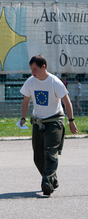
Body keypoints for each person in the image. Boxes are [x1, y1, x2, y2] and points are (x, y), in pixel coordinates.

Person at [20, 55, 78, 196]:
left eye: (35, 69)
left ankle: (46, 182)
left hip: (54, 121)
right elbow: (26, 101)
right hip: (38, 121)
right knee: (38, 156)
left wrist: (71, 121)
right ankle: (52, 180)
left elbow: (67, 102)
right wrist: (23, 117)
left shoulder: (54, 82)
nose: (32, 72)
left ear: (43, 67)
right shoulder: (30, 82)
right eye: (31, 69)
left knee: (50, 152)